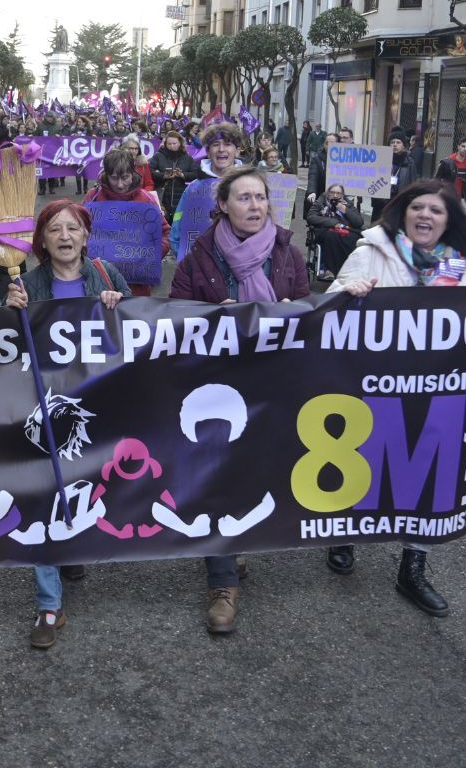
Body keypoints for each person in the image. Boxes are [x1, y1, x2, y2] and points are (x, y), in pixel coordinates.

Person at [330, 179, 466, 614]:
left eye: (436, 211)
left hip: (440, 392)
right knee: (362, 463)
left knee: (431, 477)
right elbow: (325, 312)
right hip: (375, 386)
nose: (425, 216)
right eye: (418, 207)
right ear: (403, 212)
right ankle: (343, 535)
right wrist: (349, 294)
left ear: (449, 220)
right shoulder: (371, 253)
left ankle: (413, 567)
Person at [167, 166, 308, 634]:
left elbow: (309, 312)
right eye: (243, 198)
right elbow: (173, 316)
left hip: (271, 384)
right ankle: (222, 582)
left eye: (260, 197)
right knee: (219, 476)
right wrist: (212, 317)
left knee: (261, 470)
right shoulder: (199, 257)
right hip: (217, 386)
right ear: (223, 205)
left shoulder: (289, 254)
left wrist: (292, 313)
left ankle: (239, 541)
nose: (254, 206)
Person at [3, 199, 127, 648]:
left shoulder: (106, 275)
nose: (64, 237)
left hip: (98, 407)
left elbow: (139, 333)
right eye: (54, 229)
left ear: (86, 235)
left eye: (72, 228)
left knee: (91, 489)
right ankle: (48, 605)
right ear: (42, 240)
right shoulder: (29, 284)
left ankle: (74, 546)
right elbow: (5, 349)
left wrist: (118, 305)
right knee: (43, 498)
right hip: (45, 410)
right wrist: (9, 309)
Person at [85, 146, 167, 297]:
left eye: (125, 177)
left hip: (137, 286)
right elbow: (79, 231)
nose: (120, 184)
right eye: (114, 178)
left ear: (133, 173)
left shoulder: (145, 199)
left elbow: (165, 233)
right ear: (106, 174)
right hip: (99, 282)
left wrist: (149, 257)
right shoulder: (94, 197)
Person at [303, 183, 365, 278]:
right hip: (326, 231)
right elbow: (311, 217)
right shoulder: (321, 202)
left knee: (355, 238)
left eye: (338, 193)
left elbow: (359, 222)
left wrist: (345, 210)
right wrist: (333, 223)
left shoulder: (347, 204)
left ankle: (348, 269)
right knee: (332, 237)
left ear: (342, 195)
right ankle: (330, 270)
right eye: (332, 192)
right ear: (328, 193)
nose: (335, 195)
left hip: (346, 230)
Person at [150, 133, 201, 224]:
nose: (172, 146)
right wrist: (163, 176)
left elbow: (196, 174)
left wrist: (183, 175)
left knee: (177, 226)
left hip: (180, 199)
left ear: (180, 143)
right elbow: (150, 172)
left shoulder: (187, 158)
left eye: (174, 143)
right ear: (165, 144)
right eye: (169, 144)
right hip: (162, 198)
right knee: (161, 227)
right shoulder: (158, 156)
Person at [436, 137, 466, 204]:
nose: (465, 149)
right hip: (447, 197)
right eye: (463, 146)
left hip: (459, 198)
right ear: (458, 147)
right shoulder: (447, 162)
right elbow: (436, 179)